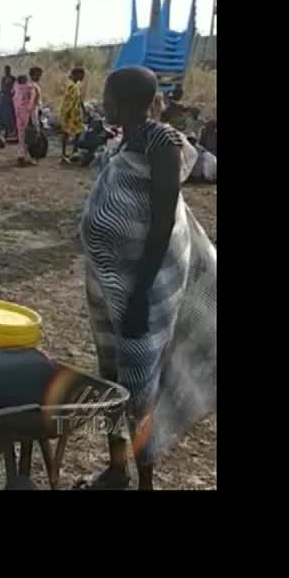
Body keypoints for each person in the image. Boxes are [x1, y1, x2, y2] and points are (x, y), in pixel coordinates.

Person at [78, 66, 216, 490]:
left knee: (139, 387)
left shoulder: (161, 141)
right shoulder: (128, 140)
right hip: (111, 285)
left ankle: (145, 482)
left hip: (145, 288)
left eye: (107, 96)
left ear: (125, 100)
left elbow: (161, 222)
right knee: (111, 377)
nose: (103, 104)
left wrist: (140, 292)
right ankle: (117, 468)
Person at [58, 67, 86, 162]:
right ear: (76, 74)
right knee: (69, 132)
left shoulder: (73, 85)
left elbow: (78, 99)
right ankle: (67, 153)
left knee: (76, 131)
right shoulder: (72, 86)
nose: (83, 77)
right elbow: (68, 101)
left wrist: (83, 109)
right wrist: (67, 114)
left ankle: (71, 152)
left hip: (73, 113)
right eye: (82, 75)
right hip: (70, 113)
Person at [12, 75, 36, 166]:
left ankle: (21, 156)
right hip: (26, 115)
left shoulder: (16, 89)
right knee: (27, 137)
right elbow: (31, 103)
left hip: (18, 116)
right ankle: (23, 157)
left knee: (21, 137)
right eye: (26, 79)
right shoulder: (28, 88)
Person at [0, 65, 18, 143]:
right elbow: (2, 88)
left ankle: (14, 132)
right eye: (5, 70)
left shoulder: (13, 78)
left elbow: (16, 88)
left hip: (12, 99)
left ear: (10, 70)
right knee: (5, 117)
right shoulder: (3, 79)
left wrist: (11, 93)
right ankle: (7, 132)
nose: (6, 71)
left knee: (13, 116)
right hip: (5, 100)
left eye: (7, 70)